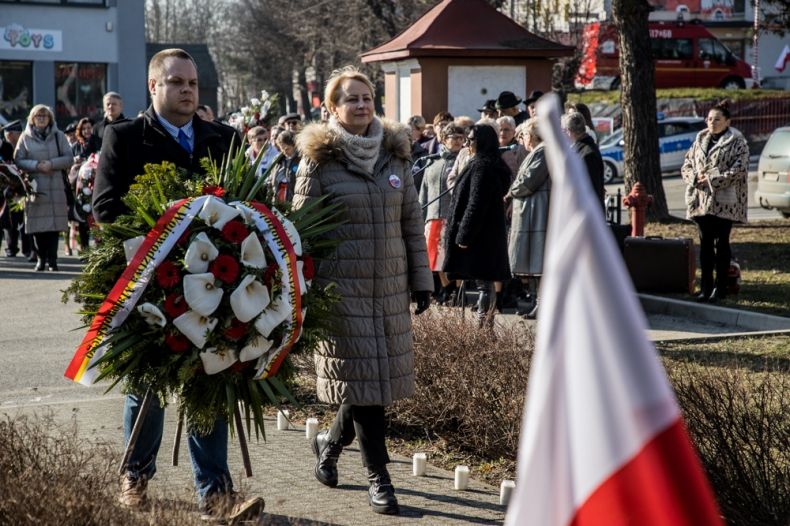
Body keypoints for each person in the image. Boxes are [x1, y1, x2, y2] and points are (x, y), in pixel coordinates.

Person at [91, 48, 264, 523]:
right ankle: (134, 475)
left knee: (208, 379)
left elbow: (248, 204)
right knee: (146, 385)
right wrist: (164, 233)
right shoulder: (124, 137)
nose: (188, 90)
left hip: (216, 284)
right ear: (154, 87)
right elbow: (106, 208)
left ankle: (216, 493)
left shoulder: (223, 137)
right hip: (151, 285)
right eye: (176, 82)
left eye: (193, 83)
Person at [293, 66, 432, 516]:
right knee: (367, 389)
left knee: (369, 384)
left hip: (389, 289)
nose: (361, 104)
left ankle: (329, 446)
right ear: (332, 108)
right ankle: (380, 479)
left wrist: (422, 280)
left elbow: (412, 222)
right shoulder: (318, 161)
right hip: (342, 290)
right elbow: (302, 231)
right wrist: (304, 289)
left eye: (366, 96)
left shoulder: (395, 156)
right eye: (350, 98)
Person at [442, 124, 511, 327]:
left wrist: (464, 235)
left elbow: (476, 203)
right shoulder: (489, 163)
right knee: (485, 281)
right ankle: (484, 326)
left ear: (481, 142)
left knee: (484, 283)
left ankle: (483, 326)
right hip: (486, 233)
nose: (467, 143)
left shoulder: (482, 166)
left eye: (470, 140)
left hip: (481, 235)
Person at [681, 100, 748, 304]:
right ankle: (705, 288)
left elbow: (739, 169)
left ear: (727, 122)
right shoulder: (700, 140)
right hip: (701, 200)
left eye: (717, 119)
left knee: (722, 243)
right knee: (706, 245)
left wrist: (713, 180)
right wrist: (694, 178)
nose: (712, 122)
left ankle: (721, 288)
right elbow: (686, 164)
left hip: (724, 201)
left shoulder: (738, 142)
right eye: (709, 119)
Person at [14, 104, 73, 271]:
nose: (41, 118)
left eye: (44, 116)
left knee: (54, 228)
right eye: (37, 116)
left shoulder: (59, 136)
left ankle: (53, 260)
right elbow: (18, 160)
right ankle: (40, 259)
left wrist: (52, 164)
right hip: (35, 186)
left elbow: (69, 158)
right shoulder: (25, 138)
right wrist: (36, 165)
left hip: (55, 184)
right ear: (32, 119)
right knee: (37, 226)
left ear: (50, 119)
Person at [507, 118, 550, 319]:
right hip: (532, 213)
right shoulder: (537, 152)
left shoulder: (544, 151)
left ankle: (543, 305)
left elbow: (527, 182)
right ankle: (538, 303)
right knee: (536, 264)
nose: (521, 139)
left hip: (538, 214)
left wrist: (510, 192)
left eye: (522, 135)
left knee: (540, 261)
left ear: (531, 135)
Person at [419, 123, 465, 305]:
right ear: (443, 140)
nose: (459, 141)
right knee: (435, 259)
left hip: (453, 218)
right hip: (432, 217)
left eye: (462, 138)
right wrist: (420, 216)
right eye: (454, 137)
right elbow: (423, 193)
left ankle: (458, 292)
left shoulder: (464, 161)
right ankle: (447, 289)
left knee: (453, 258)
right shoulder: (432, 163)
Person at [1, 119, 32, 259]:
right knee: (8, 220)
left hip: (24, 189)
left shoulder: (26, 145)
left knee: (25, 220)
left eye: (12, 133)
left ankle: (27, 249)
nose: (9, 136)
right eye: (9, 133)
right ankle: (11, 247)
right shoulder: (4, 148)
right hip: (7, 190)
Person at [563, 111, 604, 211]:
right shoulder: (584, 148)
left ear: (568, 131)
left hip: (588, 212)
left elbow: (591, 189)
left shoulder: (587, 153)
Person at [268, 129, 300, 202]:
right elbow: (271, 179)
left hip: (293, 201)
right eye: (281, 148)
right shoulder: (277, 160)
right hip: (278, 200)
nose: (284, 152)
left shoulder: (300, 160)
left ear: (294, 146)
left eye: (287, 149)